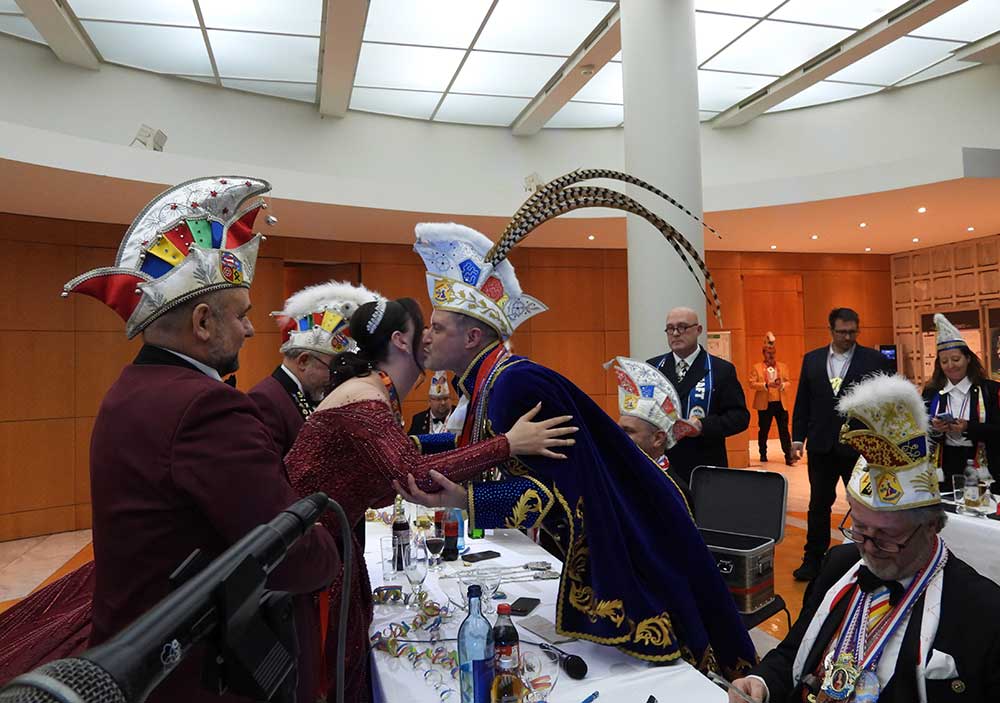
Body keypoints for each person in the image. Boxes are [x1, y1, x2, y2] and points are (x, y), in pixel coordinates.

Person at [397, 168, 757, 677]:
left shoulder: (513, 384)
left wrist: (466, 500)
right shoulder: (488, 382)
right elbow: (469, 445)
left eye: (437, 327)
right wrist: (407, 446)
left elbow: (551, 490)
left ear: (473, 338)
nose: (426, 337)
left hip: (625, 542)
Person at [0, 177, 341, 703]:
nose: (250, 330)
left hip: (134, 660)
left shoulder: (127, 389)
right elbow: (291, 554)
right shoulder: (208, 407)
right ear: (203, 322)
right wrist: (327, 546)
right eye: (242, 315)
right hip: (192, 674)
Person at [284, 294, 577, 702]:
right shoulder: (366, 399)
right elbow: (415, 475)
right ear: (401, 341)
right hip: (314, 561)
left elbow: (402, 461)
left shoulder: (369, 392)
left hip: (327, 550)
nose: (429, 338)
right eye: (427, 328)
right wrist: (507, 445)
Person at [729, 373, 1000, 703]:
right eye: (859, 529)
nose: (869, 549)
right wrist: (760, 682)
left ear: (932, 526)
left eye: (886, 537)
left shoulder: (982, 610)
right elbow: (793, 651)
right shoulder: (839, 564)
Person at [790, 308, 894, 582]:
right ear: (831, 330)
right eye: (842, 332)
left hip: (859, 448)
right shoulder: (812, 360)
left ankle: (870, 557)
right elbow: (803, 402)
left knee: (864, 505)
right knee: (818, 504)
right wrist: (798, 438)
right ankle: (812, 559)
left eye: (852, 332)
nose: (847, 337)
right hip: (821, 446)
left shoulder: (874, 360)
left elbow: (888, 403)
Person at [250, 280, 380, 460]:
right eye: (332, 368)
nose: (334, 378)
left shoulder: (296, 393)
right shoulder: (265, 399)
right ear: (303, 361)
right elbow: (268, 467)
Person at [646, 306, 751, 485]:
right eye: (670, 328)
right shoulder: (653, 367)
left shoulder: (720, 370)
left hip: (704, 466)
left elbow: (739, 417)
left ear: (698, 330)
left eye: (682, 327)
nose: (675, 333)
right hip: (663, 466)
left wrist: (703, 426)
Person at [923, 313, 1000, 485]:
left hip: (984, 465)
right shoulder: (931, 392)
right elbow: (920, 430)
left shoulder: (991, 390)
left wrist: (969, 427)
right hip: (944, 465)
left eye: (956, 359)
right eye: (944, 361)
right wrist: (935, 428)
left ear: (968, 358)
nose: (950, 366)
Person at [608, 355, 692, 505]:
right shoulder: (613, 474)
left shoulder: (674, 492)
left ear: (658, 439)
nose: (619, 436)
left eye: (628, 431)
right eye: (618, 429)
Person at [748, 332, 793, 466]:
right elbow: (751, 383)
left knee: (784, 430)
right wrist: (766, 385)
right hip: (765, 404)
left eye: (773, 352)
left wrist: (782, 385)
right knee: (764, 430)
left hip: (780, 403)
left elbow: (788, 382)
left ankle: (788, 455)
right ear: (764, 353)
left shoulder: (782, 366)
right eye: (768, 352)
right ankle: (763, 453)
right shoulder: (757, 367)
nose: (771, 355)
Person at [407, 371, 454, 435]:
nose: (443, 403)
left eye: (446, 398)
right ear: (429, 401)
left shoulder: (458, 415)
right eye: (438, 399)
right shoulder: (418, 419)